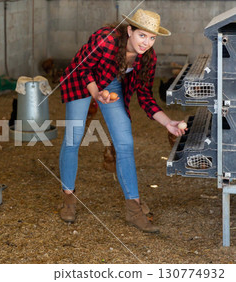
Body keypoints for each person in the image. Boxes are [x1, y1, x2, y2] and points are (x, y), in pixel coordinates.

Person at [58, 9, 186, 232]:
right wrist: (96, 94)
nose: (146, 43)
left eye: (152, 38)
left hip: (110, 83)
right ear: (130, 31)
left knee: (125, 144)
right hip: (82, 80)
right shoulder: (105, 39)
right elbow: (84, 67)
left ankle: (133, 209)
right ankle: (68, 197)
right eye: (142, 35)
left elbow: (145, 96)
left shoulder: (148, 57)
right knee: (73, 139)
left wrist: (167, 122)